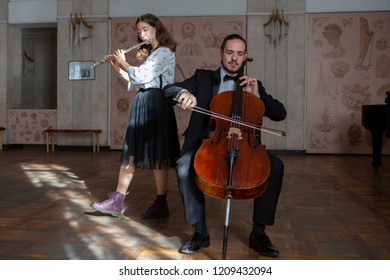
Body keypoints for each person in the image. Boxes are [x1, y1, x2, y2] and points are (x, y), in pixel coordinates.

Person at [163, 34, 287, 257]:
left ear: (245, 57)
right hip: (207, 143)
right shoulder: (203, 78)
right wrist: (183, 93)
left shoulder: (252, 84)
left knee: (276, 167)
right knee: (183, 166)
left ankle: (258, 233)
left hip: (245, 146)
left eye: (240, 54)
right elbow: (169, 89)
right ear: (221, 52)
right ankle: (200, 232)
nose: (234, 58)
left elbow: (281, 114)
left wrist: (258, 97)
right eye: (230, 52)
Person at [90, 13, 180, 219]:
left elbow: (142, 76)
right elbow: (138, 83)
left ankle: (160, 202)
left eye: (145, 29)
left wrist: (123, 62)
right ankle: (117, 200)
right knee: (131, 151)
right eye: (139, 31)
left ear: (157, 29)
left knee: (159, 156)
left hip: (157, 104)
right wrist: (116, 66)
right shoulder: (152, 53)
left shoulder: (164, 52)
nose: (141, 34)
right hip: (146, 101)